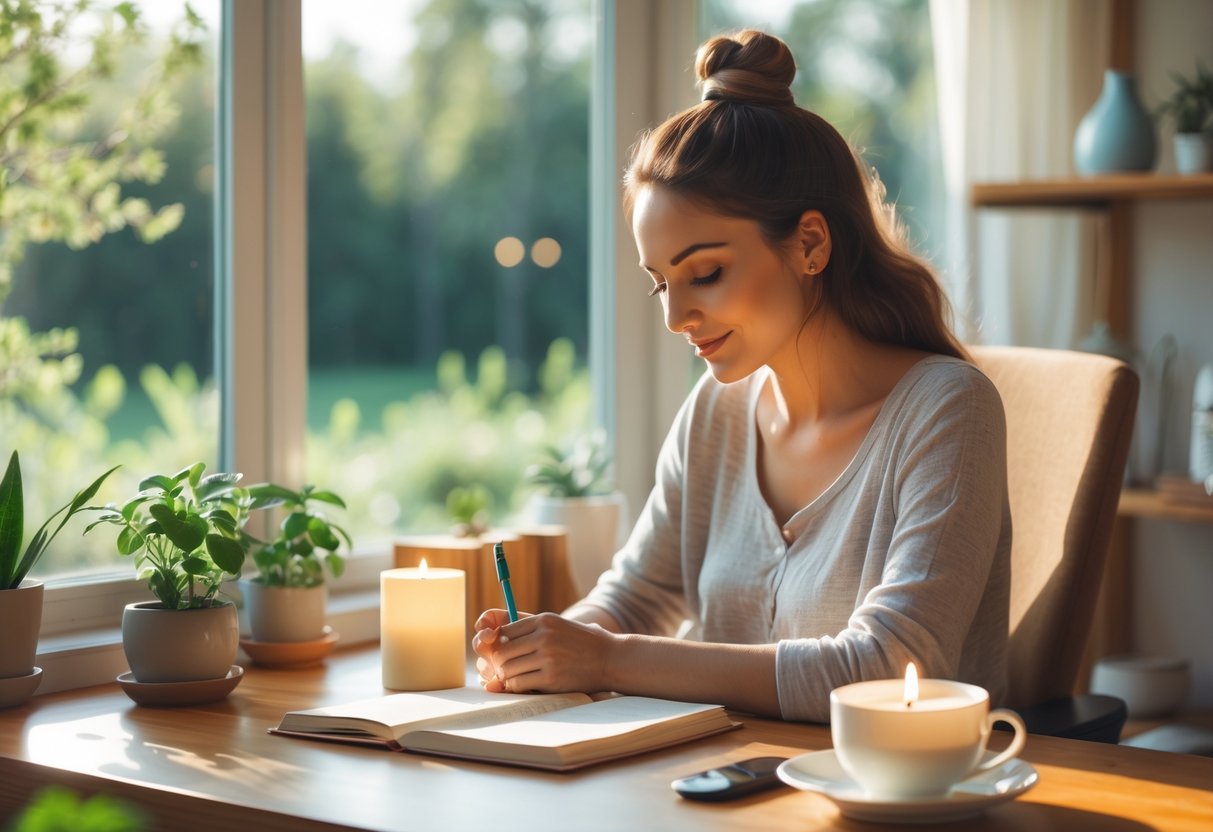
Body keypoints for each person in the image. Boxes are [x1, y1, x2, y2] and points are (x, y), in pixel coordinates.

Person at [473, 29, 1010, 723]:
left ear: (809, 243)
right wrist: (545, 647)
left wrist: (604, 659)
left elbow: (888, 668)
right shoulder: (717, 413)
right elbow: (638, 597)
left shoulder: (949, 410)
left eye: (705, 273)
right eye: (659, 284)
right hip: (723, 794)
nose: (676, 317)